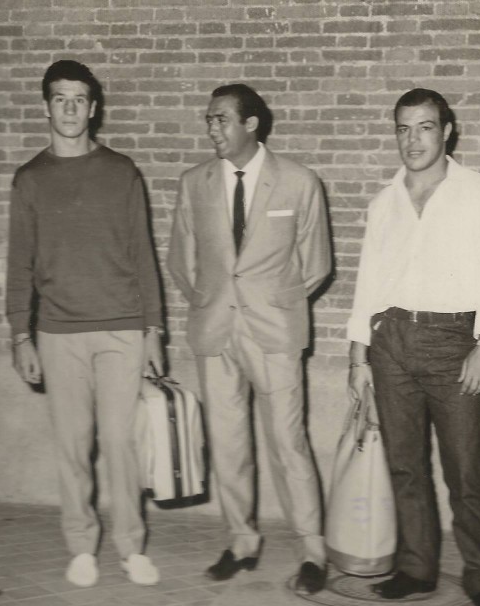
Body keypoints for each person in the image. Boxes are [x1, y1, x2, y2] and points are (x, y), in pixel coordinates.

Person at [347, 88, 480, 606]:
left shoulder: (479, 192)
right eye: (403, 128)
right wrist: (358, 357)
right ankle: (416, 567)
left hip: (454, 343)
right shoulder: (385, 202)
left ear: (447, 131)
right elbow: (368, 284)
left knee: (466, 468)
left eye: (424, 127)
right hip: (391, 341)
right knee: (404, 463)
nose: (413, 139)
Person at [5, 59, 165, 588]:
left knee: (120, 443)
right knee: (73, 445)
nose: (70, 108)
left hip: (121, 329)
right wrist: (20, 333)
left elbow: (144, 255)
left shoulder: (122, 172)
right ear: (46, 105)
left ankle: (131, 546)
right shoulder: (29, 179)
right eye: (60, 98)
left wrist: (154, 330)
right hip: (57, 332)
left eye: (79, 99)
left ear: (93, 108)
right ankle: (80, 545)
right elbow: (19, 263)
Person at [167, 83, 331, 595]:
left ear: (252, 124)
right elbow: (181, 258)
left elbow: (317, 263)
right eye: (209, 120)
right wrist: (210, 299)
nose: (212, 129)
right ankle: (241, 542)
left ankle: (313, 549)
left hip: (275, 333)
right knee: (229, 442)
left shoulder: (299, 182)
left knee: (289, 443)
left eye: (221, 120)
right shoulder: (193, 182)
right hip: (216, 331)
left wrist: (274, 301)